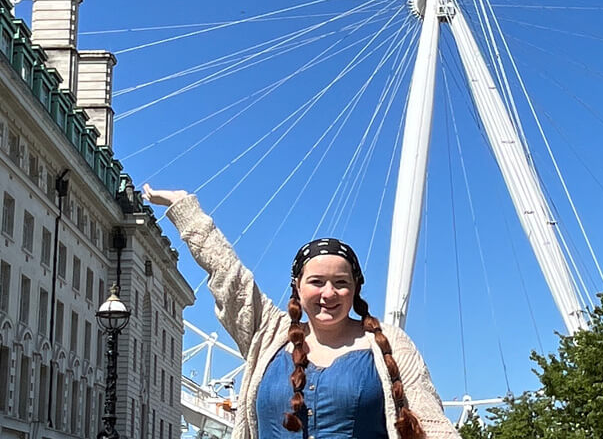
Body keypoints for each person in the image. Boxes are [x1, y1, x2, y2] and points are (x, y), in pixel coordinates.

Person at [142, 184, 459, 439]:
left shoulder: (389, 345)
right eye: (317, 282)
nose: (328, 293)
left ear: (356, 288)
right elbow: (230, 277)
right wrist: (186, 211)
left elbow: (430, 424)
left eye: (341, 283)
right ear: (297, 286)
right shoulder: (268, 335)